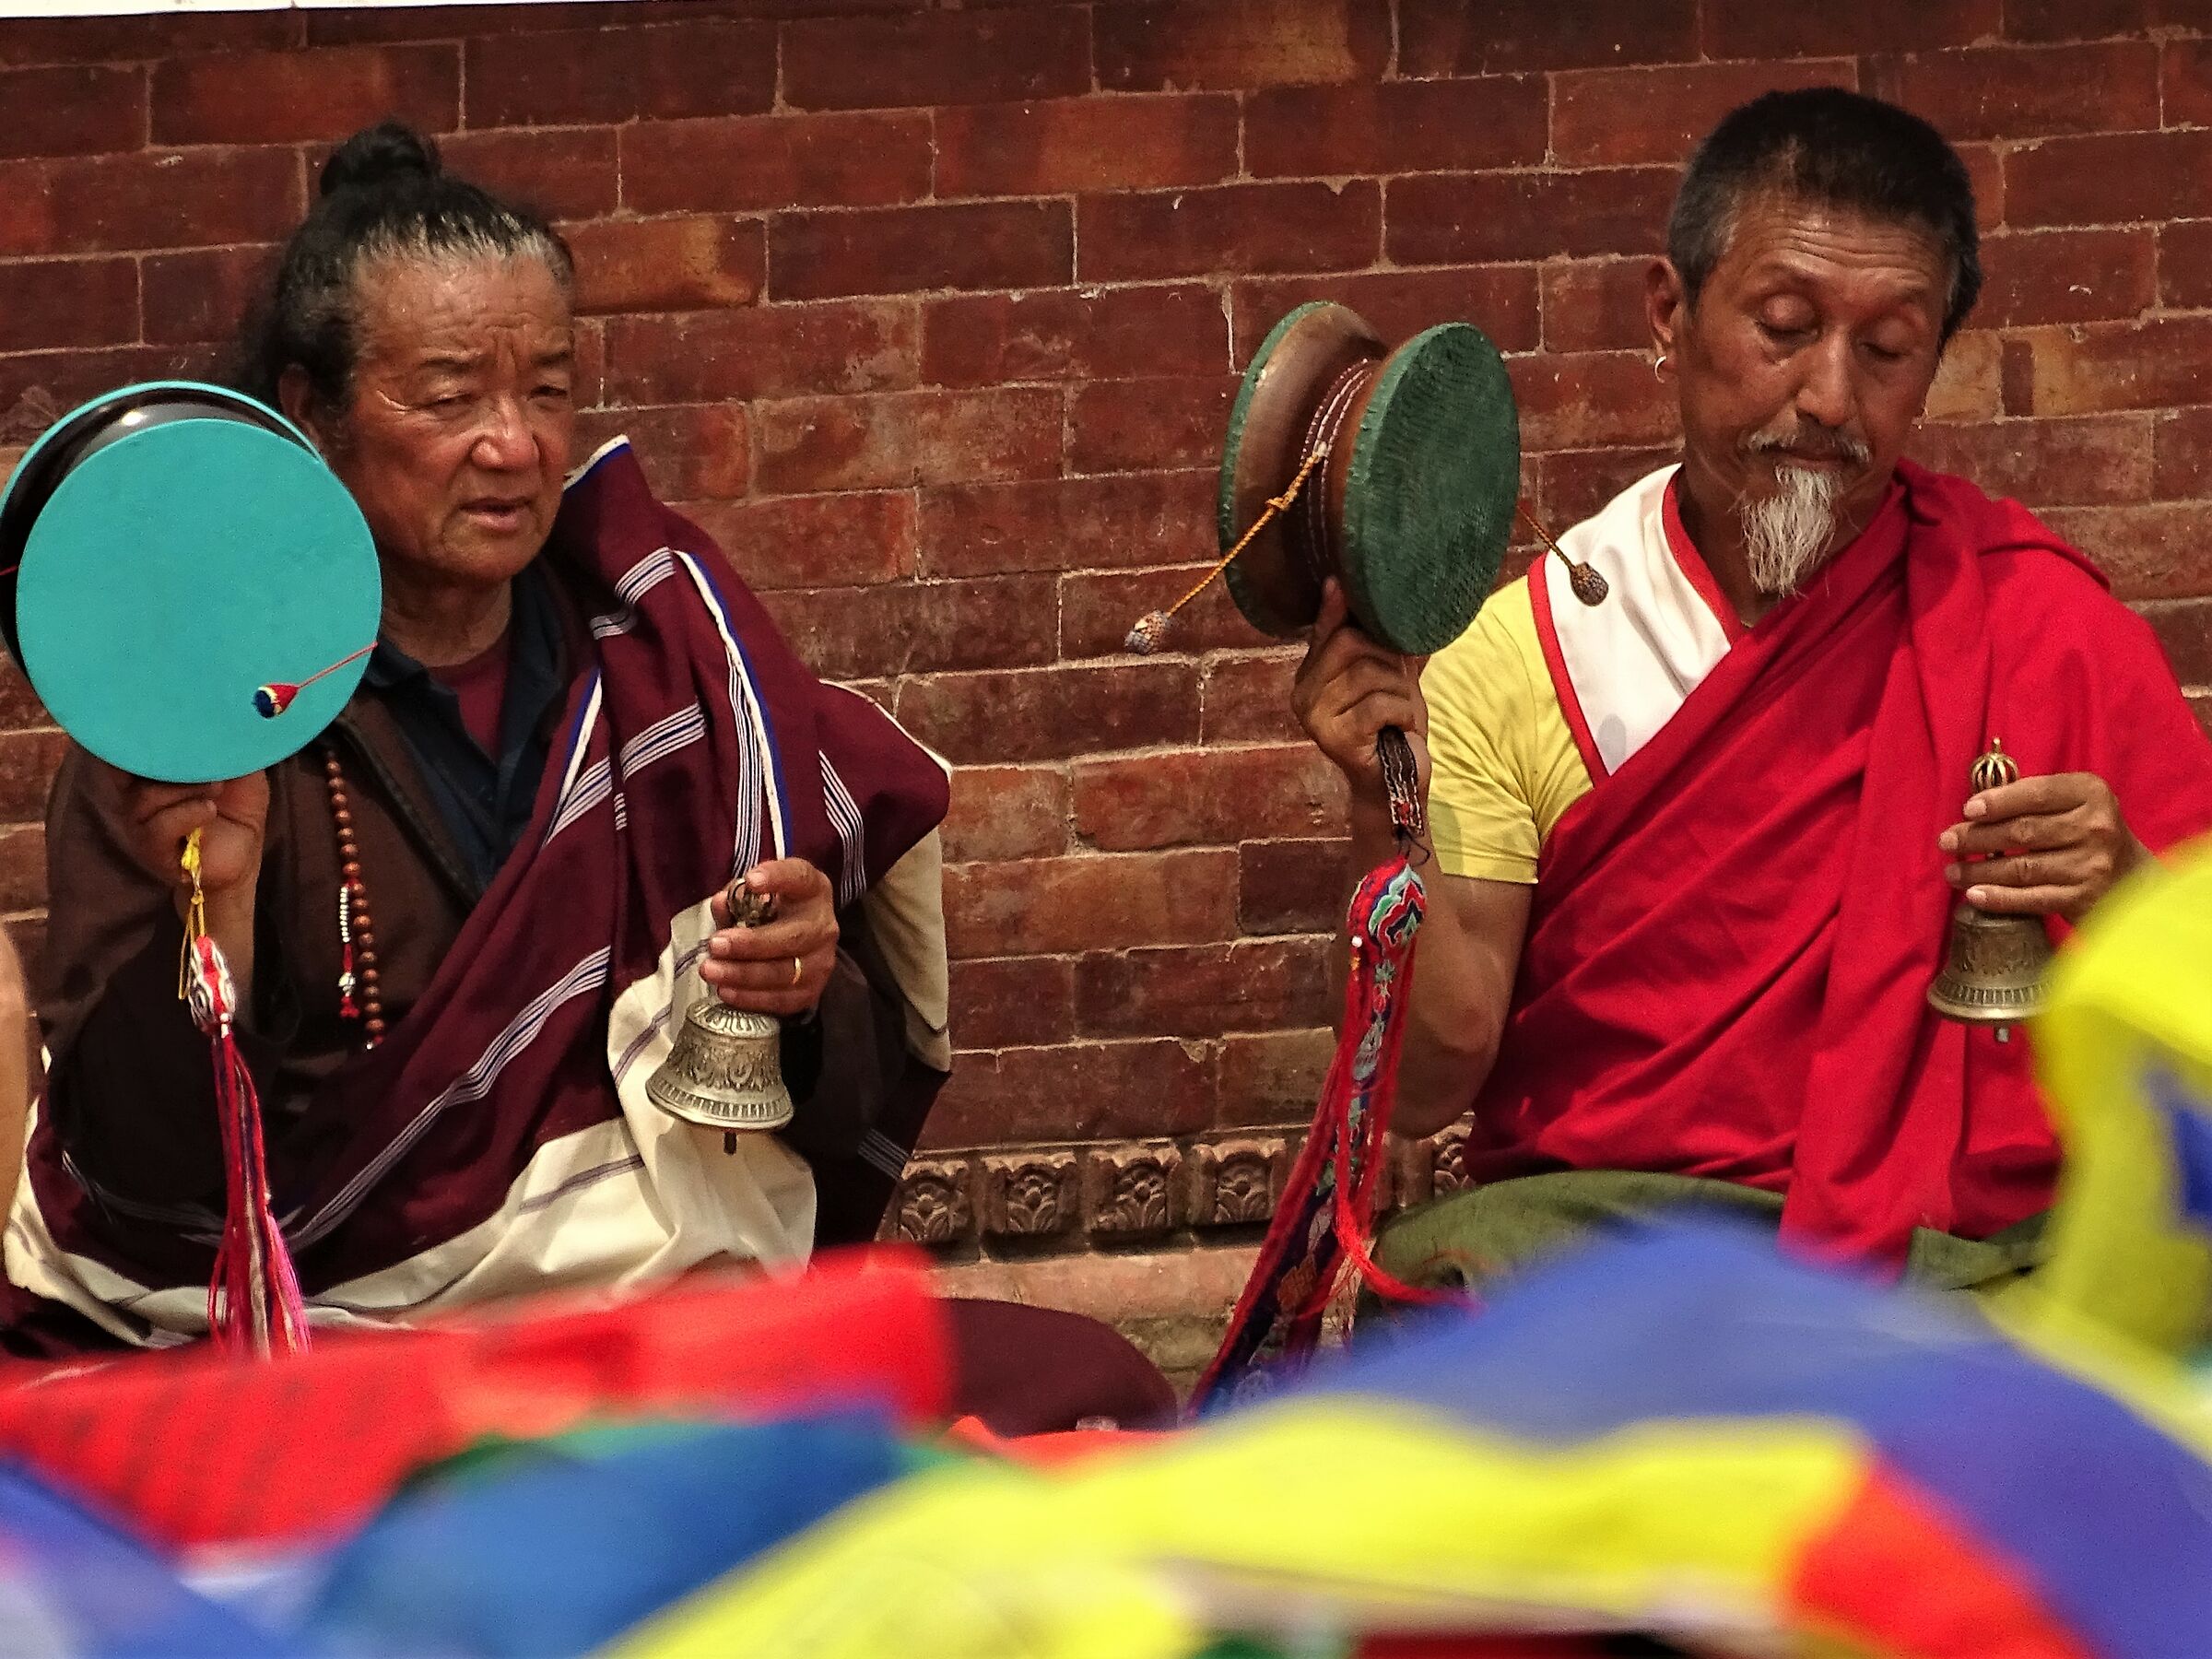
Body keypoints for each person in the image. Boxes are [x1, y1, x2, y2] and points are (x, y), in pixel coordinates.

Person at [1, 123, 1173, 1429]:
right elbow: (153, 1189)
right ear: (314, 415)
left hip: (657, 1323)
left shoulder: (669, 659)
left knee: (1096, 1391)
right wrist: (202, 911)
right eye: (449, 398)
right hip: (355, 1355)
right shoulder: (201, 720)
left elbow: (834, 1115)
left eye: (549, 390)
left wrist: (800, 995)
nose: (514, 445)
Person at [1296, 88, 2212, 1291]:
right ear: (1670, 313)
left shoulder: (2041, 627)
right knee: (1441, 1285)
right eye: (1786, 326)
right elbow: (1423, 1090)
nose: (1832, 396)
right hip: (1622, 1230)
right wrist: (1382, 813)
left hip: (1970, 1258)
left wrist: (2132, 894)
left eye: (1886, 350)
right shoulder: (1523, 655)